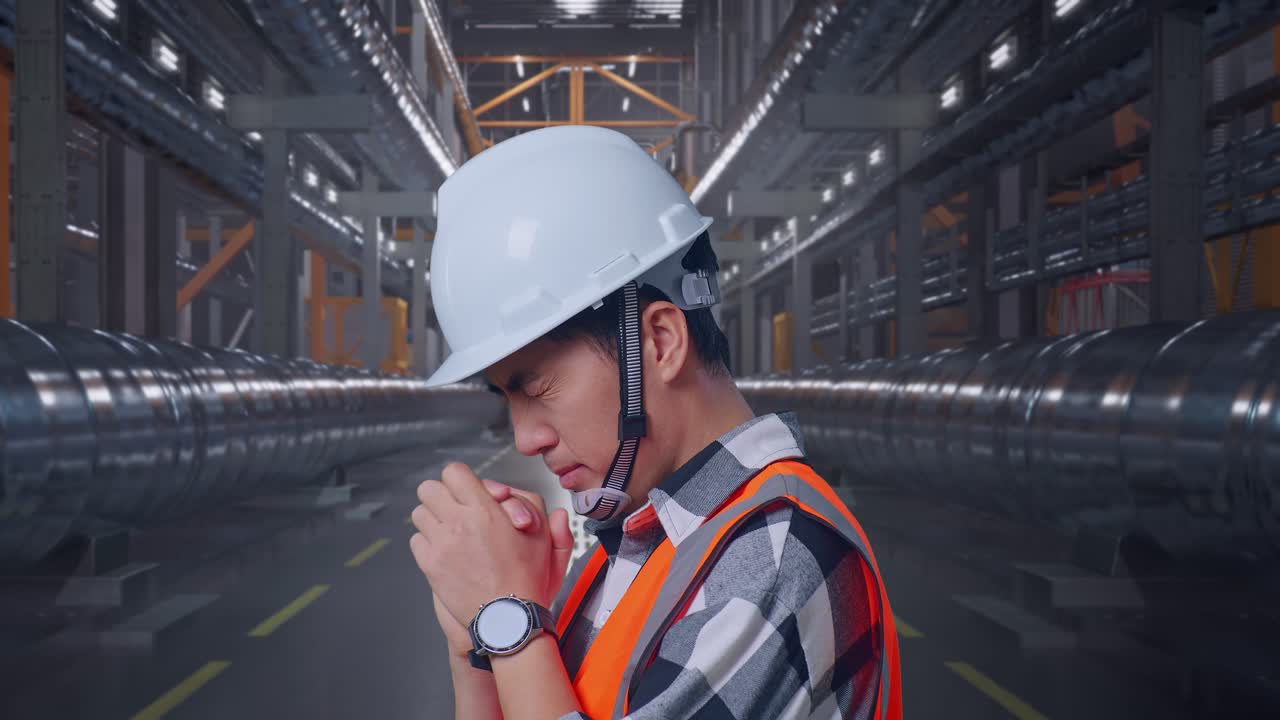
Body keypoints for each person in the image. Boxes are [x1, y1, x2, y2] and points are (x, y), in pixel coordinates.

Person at [408, 126, 902, 720]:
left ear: (660, 341)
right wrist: (476, 651)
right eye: (506, 398)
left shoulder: (774, 555)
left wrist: (508, 621)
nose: (525, 438)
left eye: (537, 387)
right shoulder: (633, 551)